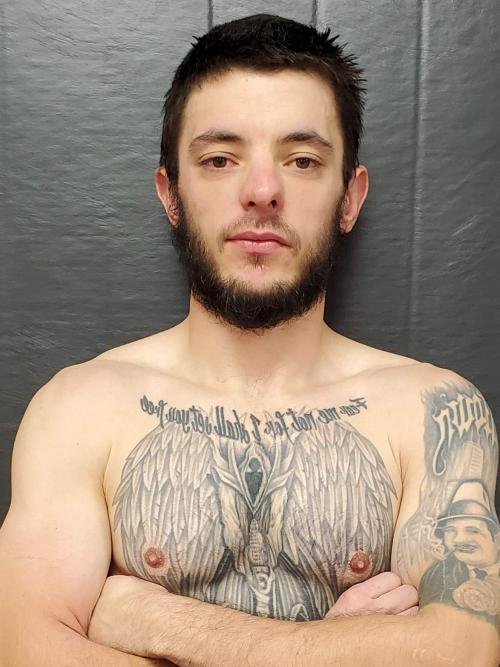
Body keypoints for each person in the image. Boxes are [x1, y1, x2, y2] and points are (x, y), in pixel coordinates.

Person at [0, 12, 498, 667]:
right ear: (171, 193)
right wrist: (336, 648)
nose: (263, 192)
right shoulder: (79, 409)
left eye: (302, 160)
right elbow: (26, 649)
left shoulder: (433, 410)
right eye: (219, 159)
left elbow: (464, 650)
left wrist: (159, 621)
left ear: (350, 197)